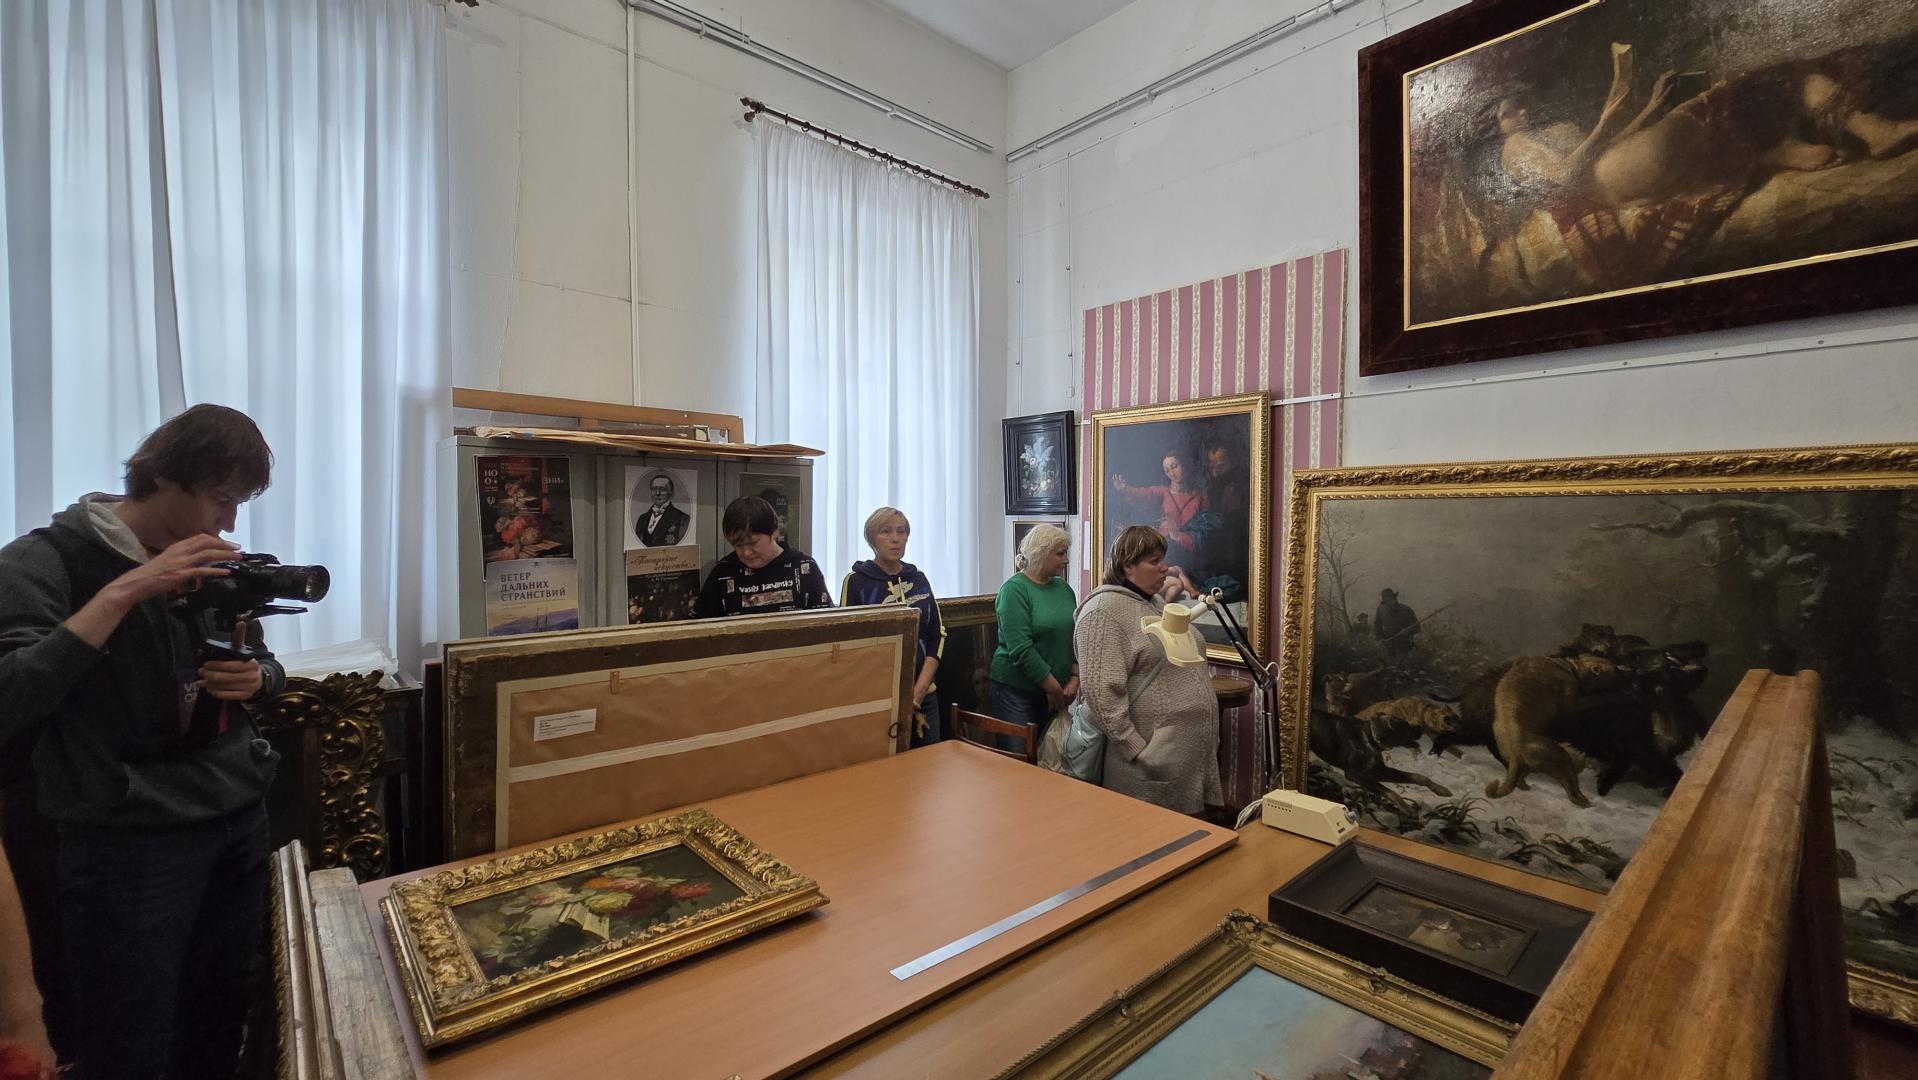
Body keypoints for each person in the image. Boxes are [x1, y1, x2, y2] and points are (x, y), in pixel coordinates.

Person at [0, 403, 287, 1080]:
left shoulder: (211, 558)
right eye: (220, 498)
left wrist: (258, 679)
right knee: (129, 1036)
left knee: (220, 1019)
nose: (230, 522)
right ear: (160, 478)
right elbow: (12, 696)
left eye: (240, 502)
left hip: (235, 813)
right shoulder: (42, 562)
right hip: (128, 837)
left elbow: (266, 664)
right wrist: (125, 592)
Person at [1075, 526, 1222, 814]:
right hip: (1147, 765)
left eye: (1162, 559)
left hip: (1182, 759)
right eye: (1154, 561)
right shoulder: (1102, 612)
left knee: (1188, 837)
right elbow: (1100, 693)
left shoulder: (1153, 604)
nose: (1164, 568)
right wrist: (1137, 748)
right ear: (1127, 566)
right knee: (1147, 835)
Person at [839, 508, 945, 747]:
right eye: (886, 532)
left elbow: (936, 635)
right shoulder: (856, 581)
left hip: (923, 694)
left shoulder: (918, 578)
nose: (895, 539)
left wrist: (919, 691)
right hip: (877, 696)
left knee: (929, 762)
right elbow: (849, 641)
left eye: (901, 531)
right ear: (871, 538)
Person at [987, 524, 1077, 746]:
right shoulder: (1013, 590)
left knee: (1051, 758)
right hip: (1017, 692)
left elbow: (1074, 637)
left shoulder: (1064, 589)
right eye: (1060, 554)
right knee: (1018, 759)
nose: (1066, 560)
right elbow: (1021, 649)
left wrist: (1075, 678)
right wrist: (1053, 688)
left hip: (1057, 692)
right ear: (1041, 553)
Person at [695, 496, 832, 618]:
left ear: (774, 532)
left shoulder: (805, 567)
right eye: (738, 545)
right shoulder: (723, 573)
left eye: (753, 543)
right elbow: (700, 626)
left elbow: (826, 623)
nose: (746, 552)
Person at [1109, 453, 1204, 563]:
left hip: (1189, 553)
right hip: (1163, 548)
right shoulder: (1163, 492)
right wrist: (1125, 489)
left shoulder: (1199, 498)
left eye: (1174, 466)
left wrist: (1178, 535)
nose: (1172, 473)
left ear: (1184, 464)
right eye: (1167, 470)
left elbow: (1203, 534)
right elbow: (1144, 494)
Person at [634, 472, 691, 547]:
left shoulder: (683, 519)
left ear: (671, 494)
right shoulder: (642, 519)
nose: (657, 493)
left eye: (663, 489)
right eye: (654, 489)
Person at [1374, 588, 1420, 664]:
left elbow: (1417, 627)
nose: (1392, 601)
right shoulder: (1381, 610)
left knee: (1406, 665)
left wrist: (1408, 630)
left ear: (1395, 598)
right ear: (1385, 602)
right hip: (1389, 645)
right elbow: (1377, 627)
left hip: (1405, 644)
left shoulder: (1406, 609)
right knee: (1391, 666)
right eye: (1388, 599)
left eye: (1392, 598)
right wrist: (1380, 638)